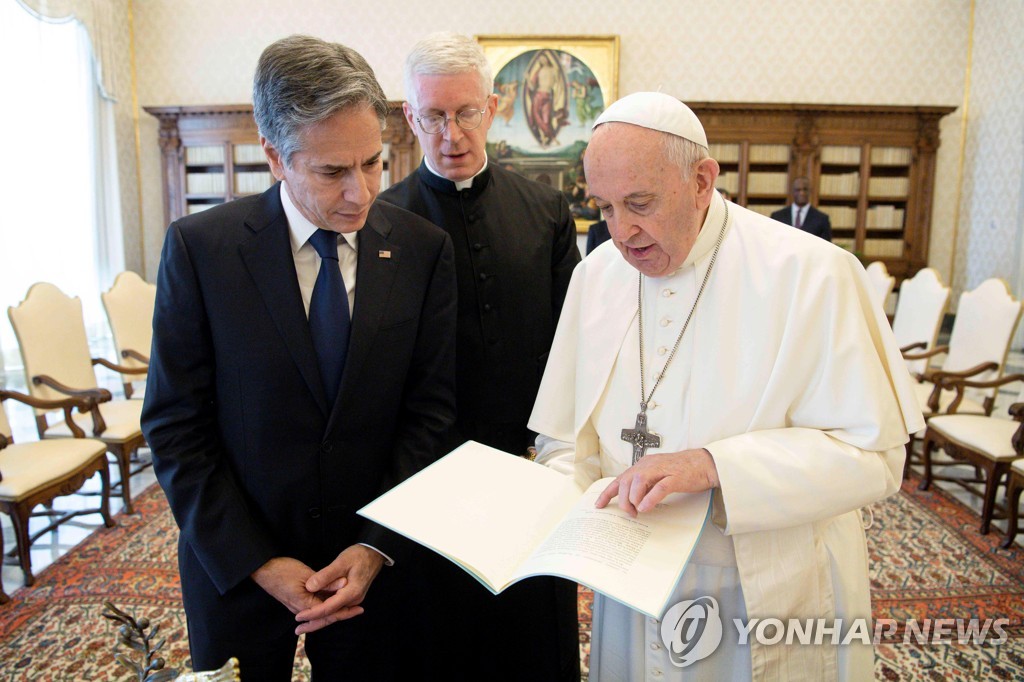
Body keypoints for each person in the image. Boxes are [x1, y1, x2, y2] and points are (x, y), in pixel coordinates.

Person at [529, 92, 923, 680]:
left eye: (640, 202)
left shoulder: (811, 273)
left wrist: (715, 465)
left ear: (702, 180)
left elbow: (874, 456)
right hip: (634, 579)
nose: (622, 232)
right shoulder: (597, 275)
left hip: (762, 583)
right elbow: (567, 439)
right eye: (604, 207)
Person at [140, 35, 457, 681]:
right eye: (333, 171)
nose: (362, 193)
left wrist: (375, 546)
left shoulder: (424, 250)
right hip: (237, 567)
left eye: (373, 163)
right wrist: (258, 561)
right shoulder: (202, 250)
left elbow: (430, 416)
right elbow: (176, 427)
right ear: (274, 157)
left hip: (373, 568)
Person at [379, 31, 581, 682]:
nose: (451, 133)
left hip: (528, 473)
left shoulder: (546, 210)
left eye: (465, 112)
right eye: (433, 116)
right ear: (410, 118)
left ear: (493, 108)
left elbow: (573, 346)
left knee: (529, 646)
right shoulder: (381, 222)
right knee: (439, 647)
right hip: (427, 479)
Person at [771, 176, 832, 241]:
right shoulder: (777, 217)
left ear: (810, 191)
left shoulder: (822, 219)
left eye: (805, 189)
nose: (802, 193)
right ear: (792, 192)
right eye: (798, 190)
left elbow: (826, 247)